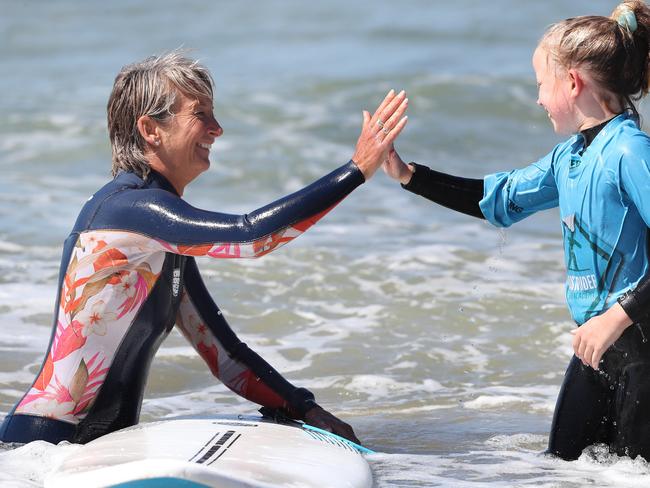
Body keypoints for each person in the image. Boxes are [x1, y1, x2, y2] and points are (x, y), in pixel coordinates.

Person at [0, 51, 408, 445]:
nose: (217, 128)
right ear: (150, 129)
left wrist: (305, 409)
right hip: (42, 448)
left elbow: (225, 357)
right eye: (200, 114)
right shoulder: (127, 210)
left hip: (94, 450)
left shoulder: (160, 240)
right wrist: (355, 170)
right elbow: (251, 238)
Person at [383, 1, 650, 461]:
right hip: (597, 347)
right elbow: (498, 198)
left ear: (572, 82)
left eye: (541, 84)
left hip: (639, 347)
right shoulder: (569, 158)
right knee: (562, 468)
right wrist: (409, 175)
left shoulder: (630, 152)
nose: (539, 99)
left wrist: (617, 316)